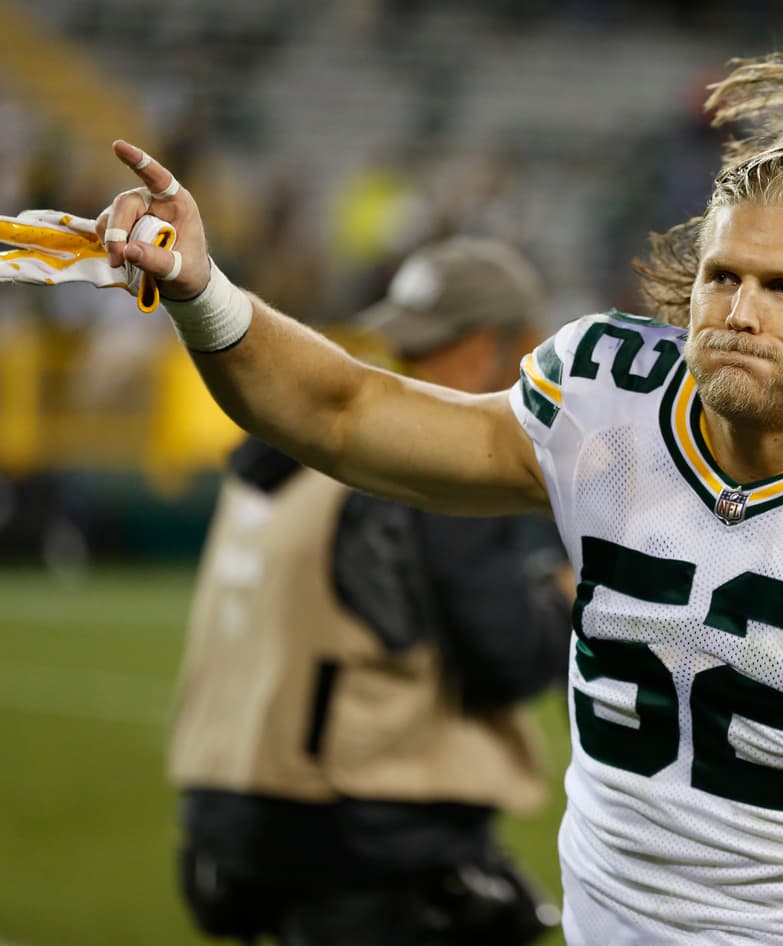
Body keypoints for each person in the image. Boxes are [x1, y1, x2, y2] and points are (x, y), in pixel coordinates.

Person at [7, 2, 783, 944]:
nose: (737, 311)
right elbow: (342, 411)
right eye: (721, 277)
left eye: (782, 287)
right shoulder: (606, 411)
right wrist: (204, 290)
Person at [166, 237, 569, 946]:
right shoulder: (438, 469)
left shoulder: (278, 449)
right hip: (361, 828)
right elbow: (502, 658)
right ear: (496, 345)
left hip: (229, 809)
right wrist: (569, 601)